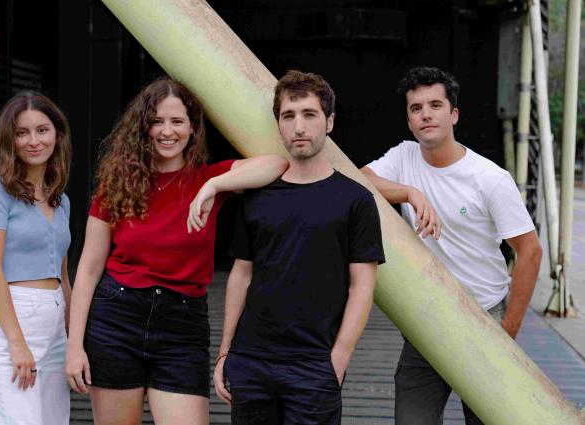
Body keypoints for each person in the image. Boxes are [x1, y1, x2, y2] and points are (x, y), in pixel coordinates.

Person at [65, 76, 288, 425]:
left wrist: (213, 185)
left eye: (177, 121)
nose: (166, 131)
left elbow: (278, 164)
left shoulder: (208, 180)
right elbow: (89, 269)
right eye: (156, 121)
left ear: (192, 129)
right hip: (116, 320)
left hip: (182, 328)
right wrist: (74, 346)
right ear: (143, 128)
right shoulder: (117, 186)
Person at [361, 66, 543, 425]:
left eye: (435, 105)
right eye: (416, 108)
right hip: (429, 317)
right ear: (410, 121)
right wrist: (410, 193)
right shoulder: (404, 156)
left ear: (454, 114)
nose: (426, 114)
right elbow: (360, 181)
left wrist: (507, 332)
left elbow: (530, 252)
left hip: (483, 316)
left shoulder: (489, 178)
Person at [213, 70, 385, 425]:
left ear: (330, 122)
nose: (299, 127)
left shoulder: (355, 200)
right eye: (288, 116)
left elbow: (362, 286)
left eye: (309, 114)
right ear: (279, 125)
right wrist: (226, 352)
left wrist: (339, 359)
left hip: (315, 365)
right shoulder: (257, 196)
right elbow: (241, 275)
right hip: (252, 361)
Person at [0, 91, 73, 424]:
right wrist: (16, 343)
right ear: (9, 139)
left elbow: (63, 275)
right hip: (13, 327)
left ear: (57, 135)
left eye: (42, 130)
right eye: (21, 132)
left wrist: (73, 338)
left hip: (56, 329)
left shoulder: (61, 199)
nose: (33, 141)